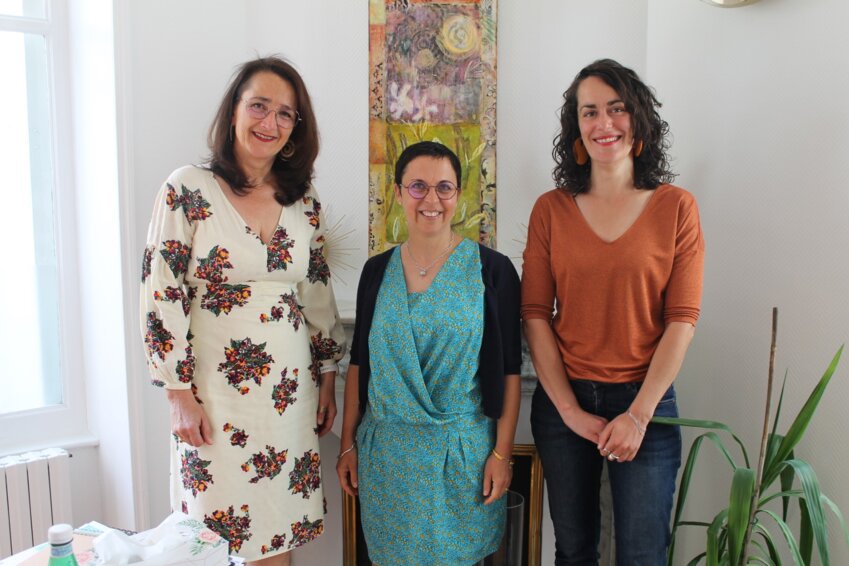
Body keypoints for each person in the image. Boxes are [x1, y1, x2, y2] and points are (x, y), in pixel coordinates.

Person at [140, 56, 346, 566]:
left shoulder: (305, 202)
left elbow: (316, 292)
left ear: (296, 129)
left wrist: (326, 378)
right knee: (214, 540)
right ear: (234, 111)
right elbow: (160, 290)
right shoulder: (187, 189)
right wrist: (177, 393)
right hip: (213, 396)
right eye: (259, 106)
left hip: (288, 394)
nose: (269, 123)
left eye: (285, 114)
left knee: (277, 532)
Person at [522, 59, 705, 565]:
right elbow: (535, 314)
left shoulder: (676, 208)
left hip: (646, 402)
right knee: (574, 550)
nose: (604, 123)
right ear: (576, 128)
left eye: (617, 109)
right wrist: (570, 411)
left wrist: (638, 416)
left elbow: (682, 320)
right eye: (590, 112)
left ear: (638, 119)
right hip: (565, 404)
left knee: (644, 555)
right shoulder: (551, 209)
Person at [336, 141, 522, 565]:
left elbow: (511, 370)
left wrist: (502, 454)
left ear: (458, 195)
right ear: (398, 193)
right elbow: (359, 363)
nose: (431, 199)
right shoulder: (376, 272)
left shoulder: (492, 271)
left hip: (463, 458)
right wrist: (348, 446)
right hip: (387, 460)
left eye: (444, 187)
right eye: (418, 186)